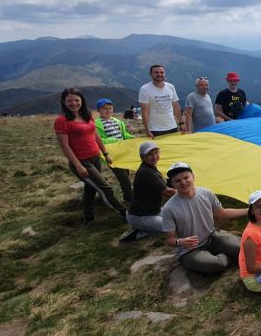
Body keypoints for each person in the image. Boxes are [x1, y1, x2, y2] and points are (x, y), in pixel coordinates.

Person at [54, 88, 126, 224]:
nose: (74, 103)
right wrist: (78, 165)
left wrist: (105, 153)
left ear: (82, 101)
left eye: (77, 100)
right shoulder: (61, 120)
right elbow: (65, 146)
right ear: (64, 102)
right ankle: (124, 213)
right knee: (106, 188)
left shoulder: (86, 115)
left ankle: (89, 217)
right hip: (81, 161)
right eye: (70, 101)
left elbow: (95, 136)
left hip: (95, 157)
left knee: (91, 188)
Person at [160, 162, 246, 274]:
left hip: (211, 236)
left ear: (193, 177)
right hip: (189, 250)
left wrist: (248, 210)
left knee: (244, 249)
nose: (183, 182)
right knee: (217, 265)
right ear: (172, 184)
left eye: (186, 177)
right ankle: (224, 253)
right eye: (178, 181)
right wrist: (180, 242)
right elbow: (169, 239)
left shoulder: (206, 193)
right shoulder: (168, 208)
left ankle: (226, 249)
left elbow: (222, 213)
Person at [121, 141, 176, 242]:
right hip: (141, 216)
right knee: (173, 228)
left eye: (156, 153)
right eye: (150, 154)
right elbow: (167, 192)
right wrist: (187, 192)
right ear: (142, 157)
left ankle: (145, 227)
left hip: (154, 211)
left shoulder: (151, 168)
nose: (154, 156)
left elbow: (165, 184)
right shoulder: (145, 172)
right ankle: (138, 233)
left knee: (176, 219)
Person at [94, 98, 134, 203]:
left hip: (123, 153)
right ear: (99, 110)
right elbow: (98, 140)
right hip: (111, 155)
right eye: (105, 109)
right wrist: (112, 140)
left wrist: (131, 137)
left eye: (110, 108)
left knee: (126, 174)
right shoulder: (96, 124)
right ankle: (129, 198)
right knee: (123, 177)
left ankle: (127, 196)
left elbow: (123, 135)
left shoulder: (118, 122)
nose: (108, 111)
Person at [139, 64, 184, 138]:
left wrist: (181, 123)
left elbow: (176, 106)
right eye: (156, 72)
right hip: (155, 129)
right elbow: (144, 111)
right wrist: (147, 130)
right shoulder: (144, 89)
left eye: (161, 72)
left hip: (172, 127)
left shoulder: (170, 87)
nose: (159, 74)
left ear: (164, 74)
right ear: (150, 74)